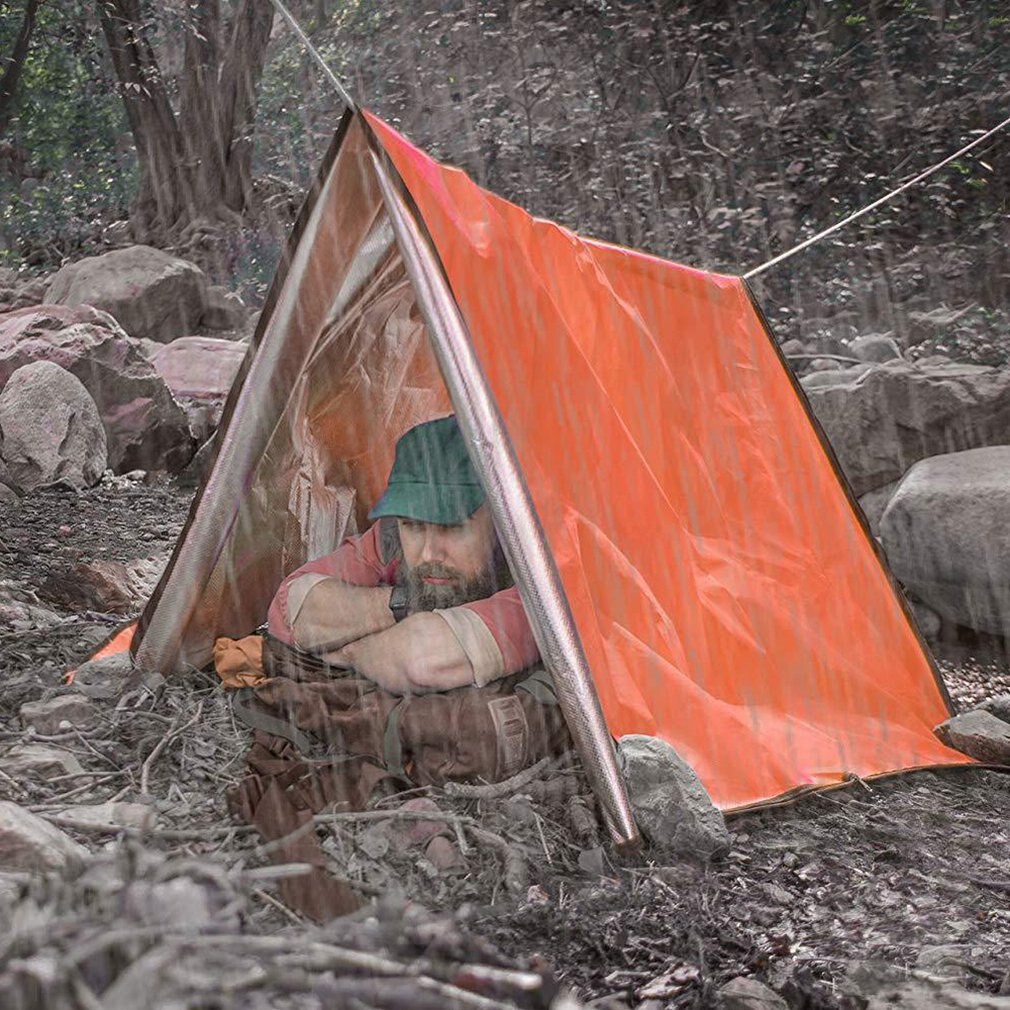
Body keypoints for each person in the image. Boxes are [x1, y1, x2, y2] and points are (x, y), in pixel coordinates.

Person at [266, 415, 540, 695]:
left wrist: (349, 652)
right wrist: (405, 603)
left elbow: (421, 662)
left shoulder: (543, 569)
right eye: (413, 525)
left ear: (501, 520)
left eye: (452, 527)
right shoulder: (391, 536)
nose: (430, 553)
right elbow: (291, 609)